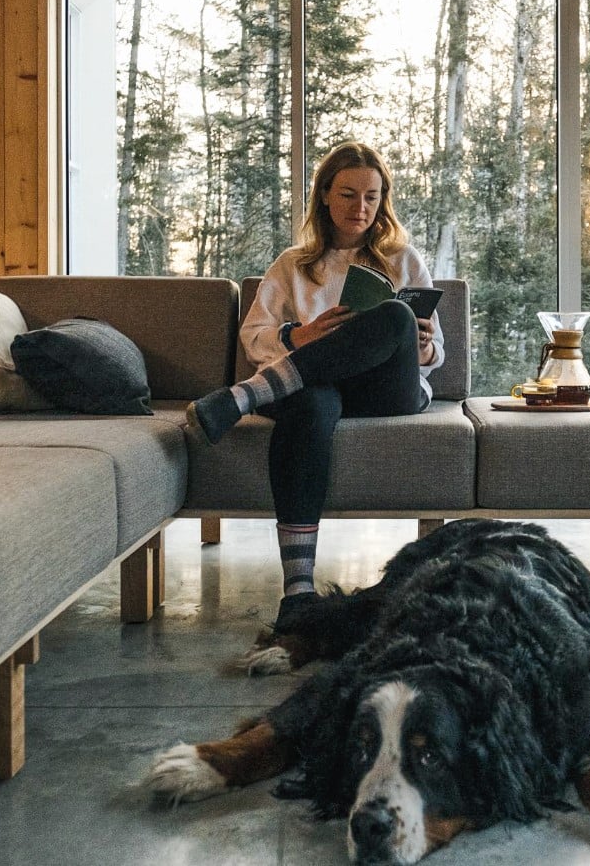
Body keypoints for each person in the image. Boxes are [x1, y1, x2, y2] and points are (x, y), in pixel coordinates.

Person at [187, 141, 444, 625]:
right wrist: (298, 334)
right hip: (315, 390)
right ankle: (299, 592)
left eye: (371, 197)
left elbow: (436, 357)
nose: (360, 208)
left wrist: (421, 340)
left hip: (385, 392)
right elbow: (255, 336)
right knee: (311, 402)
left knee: (393, 317)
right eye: (348, 194)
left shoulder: (401, 258)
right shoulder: (293, 264)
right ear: (325, 195)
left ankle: (244, 397)